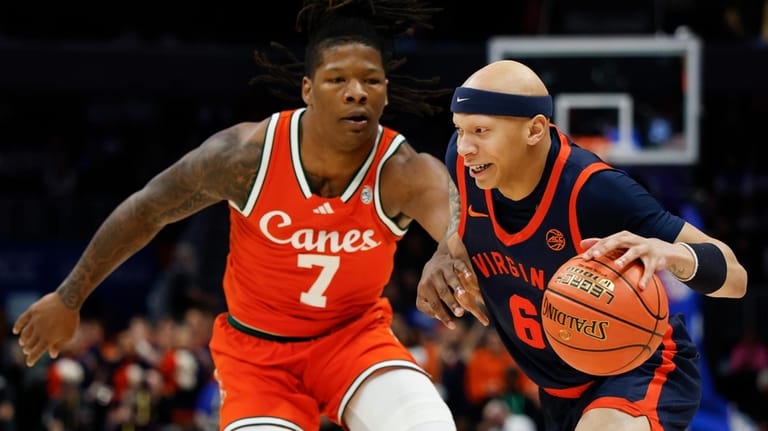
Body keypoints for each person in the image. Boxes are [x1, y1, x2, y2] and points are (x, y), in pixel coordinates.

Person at [12, 1, 459, 430]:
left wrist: (449, 249)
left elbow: (458, 224)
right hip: (257, 357)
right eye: (337, 79)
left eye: (372, 81)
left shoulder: (402, 172)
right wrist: (69, 297)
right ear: (307, 89)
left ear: (384, 92)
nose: (356, 91)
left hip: (355, 341)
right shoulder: (245, 157)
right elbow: (147, 209)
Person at [416, 59, 748, 431]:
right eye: (459, 130)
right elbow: (457, 227)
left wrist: (672, 253)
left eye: (480, 130)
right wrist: (442, 255)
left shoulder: (594, 192)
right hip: (558, 390)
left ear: (535, 129)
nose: (465, 147)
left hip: (638, 366)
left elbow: (736, 278)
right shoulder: (465, 167)